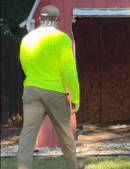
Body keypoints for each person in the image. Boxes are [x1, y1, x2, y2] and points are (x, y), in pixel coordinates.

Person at [17, 5, 85, 169]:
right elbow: (69, 71)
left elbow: (24, 66)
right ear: (57, 20)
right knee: (64, 132)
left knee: (28, 132)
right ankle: (73, 166)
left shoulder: (27, 39)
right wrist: (76, 98)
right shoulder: (61, 39)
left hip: (31, 90)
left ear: (40, 19)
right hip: (54, 92)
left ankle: (23, 167)